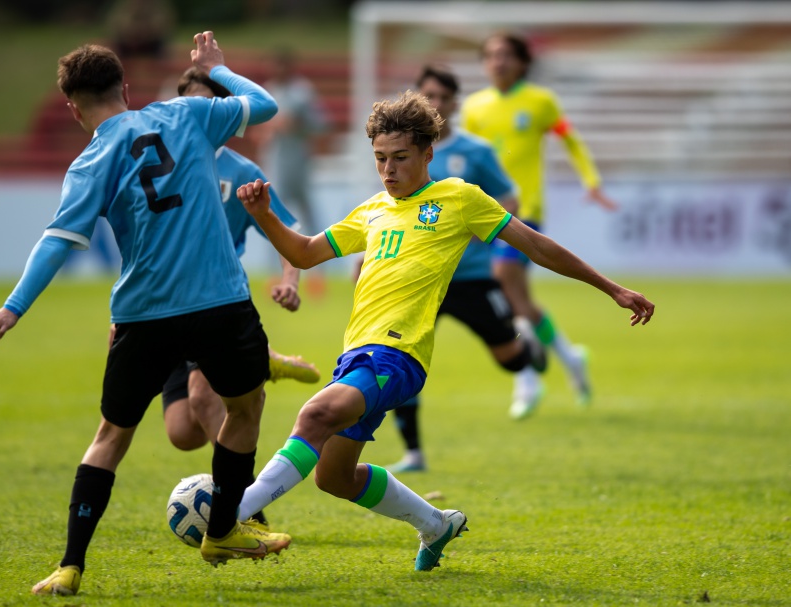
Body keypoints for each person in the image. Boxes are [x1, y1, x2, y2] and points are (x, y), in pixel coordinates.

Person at [232, 91, 654, 572]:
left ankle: (231, 516)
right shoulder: (372, 210)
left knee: (315, 415)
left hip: (398, 355)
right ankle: (436, 524)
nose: (389, 171)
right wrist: (263, 215)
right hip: (356, 355)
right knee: (334, 477)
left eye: (400, 158)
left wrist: (611, 288)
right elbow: (306, 253)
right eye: (380, 159)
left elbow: (537, 246)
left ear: (428, 153)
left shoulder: (458, 198)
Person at [0, 33, 291, 596]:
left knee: (111, 435)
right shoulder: (185, 113)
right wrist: (218, 67)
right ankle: (221, 532)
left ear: (73, 108)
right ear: (125, 87)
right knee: (245, 408)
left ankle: (70, 565)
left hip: (142, 315)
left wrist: (12, 308)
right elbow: (264, 106)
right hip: (218, 302)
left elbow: (56, 242)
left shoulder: (91, 159)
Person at [157, 68, 322, 530]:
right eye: (193, 106)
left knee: (206, 400)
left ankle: (246, 513)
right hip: (159, 304)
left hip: (214, 303)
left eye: (213, 109)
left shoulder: (241, 172)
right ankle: (262, 362)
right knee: (183, 433)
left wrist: (290, 280)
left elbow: (288, 231)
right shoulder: (156, 164)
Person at [375, 65, 547, 473]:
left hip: (470, 276)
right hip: (418, 281)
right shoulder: (400, 156)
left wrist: (474, 231)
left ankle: (526, 351)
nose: (434, 102)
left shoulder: (475, 152)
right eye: (426, 94)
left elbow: (509, 199)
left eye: (442, 97)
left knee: (506, 354)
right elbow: (390, 216)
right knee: (399, 360)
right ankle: (414, 452)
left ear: (453, 104)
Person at [460, 31, 620, 419]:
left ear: (522, 62)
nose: (497, 62)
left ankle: (527, 377)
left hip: (523, 210)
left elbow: (572, 140)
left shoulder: (540, 102)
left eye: (506, 55)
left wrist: (592, 181)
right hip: (484, 214)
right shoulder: (474, 108)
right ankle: (570, 357)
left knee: (502, 276)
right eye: (491, 55)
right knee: (519, 300)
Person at [260, 47, 330, 237]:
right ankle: (278, 261)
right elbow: (261, 126)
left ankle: (318, 257)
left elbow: (320, 123)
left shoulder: (302, 91)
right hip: (276, 160)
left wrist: (298, 124)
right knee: (274, 211)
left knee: (307, 209)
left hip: (299, 160)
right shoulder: (268, 90)